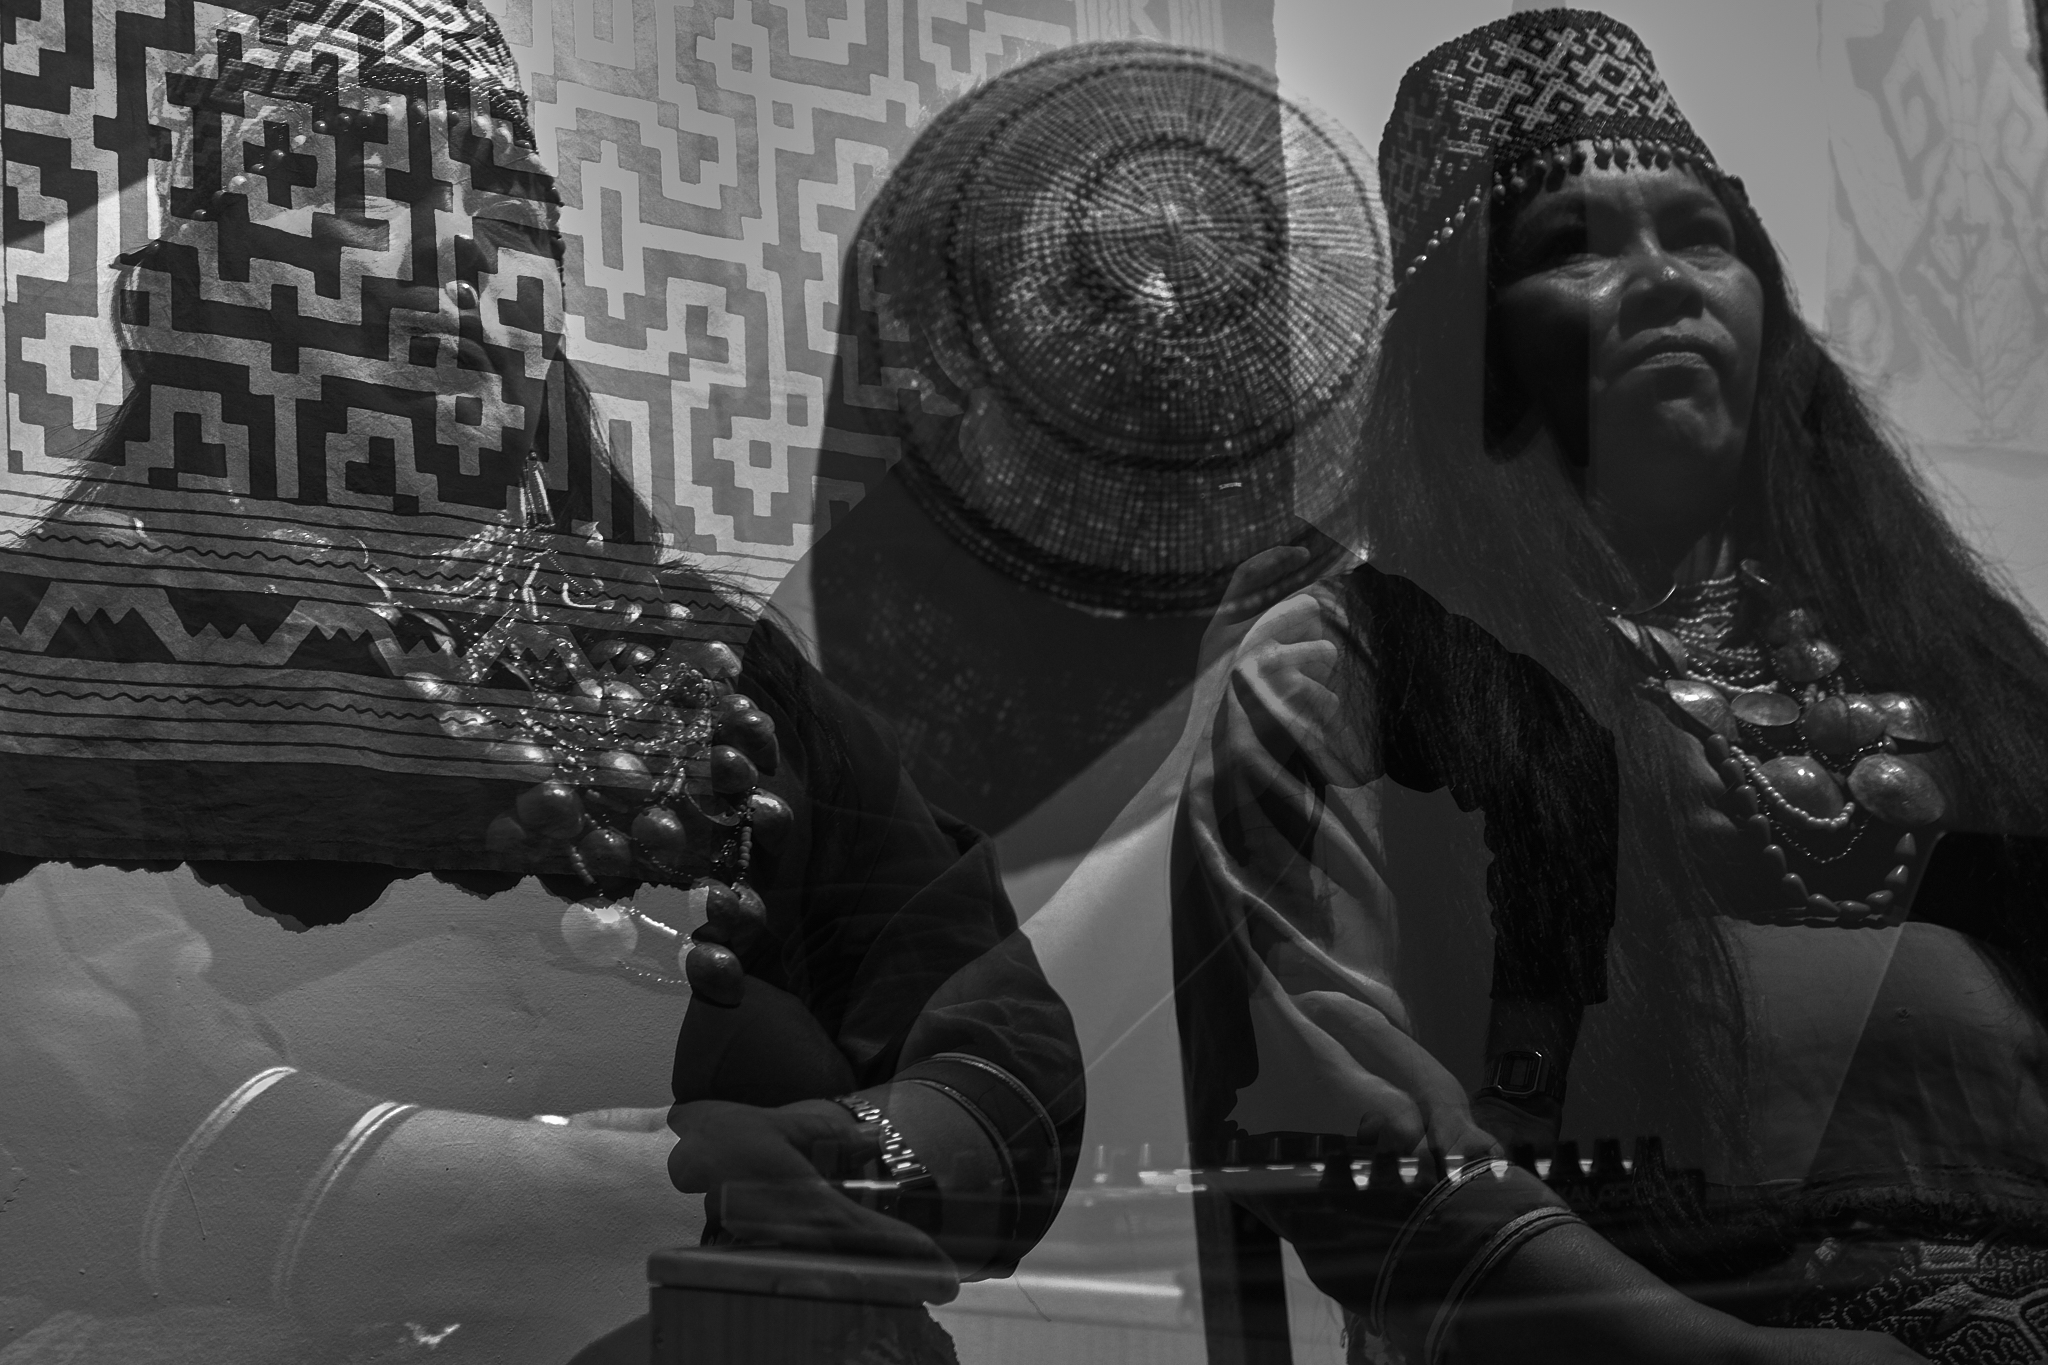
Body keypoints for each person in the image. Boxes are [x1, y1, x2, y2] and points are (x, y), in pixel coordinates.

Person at [0, 3, 1079, 1363]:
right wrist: (641, 1198)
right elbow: (115, 1110)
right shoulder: (56, 651)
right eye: (364, 194)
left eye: (512, 217)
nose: (458, 252)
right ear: (179, 296)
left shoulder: (720, 668)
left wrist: (847, 1168)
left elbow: (995, 1042)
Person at [1173, 10, 2048, 1365]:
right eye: (1574, 247)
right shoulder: (1343, 669)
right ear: (1465, 343)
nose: (1663, 281)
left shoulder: (1951, 653)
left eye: (1703, 235)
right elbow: (1339, 1121)